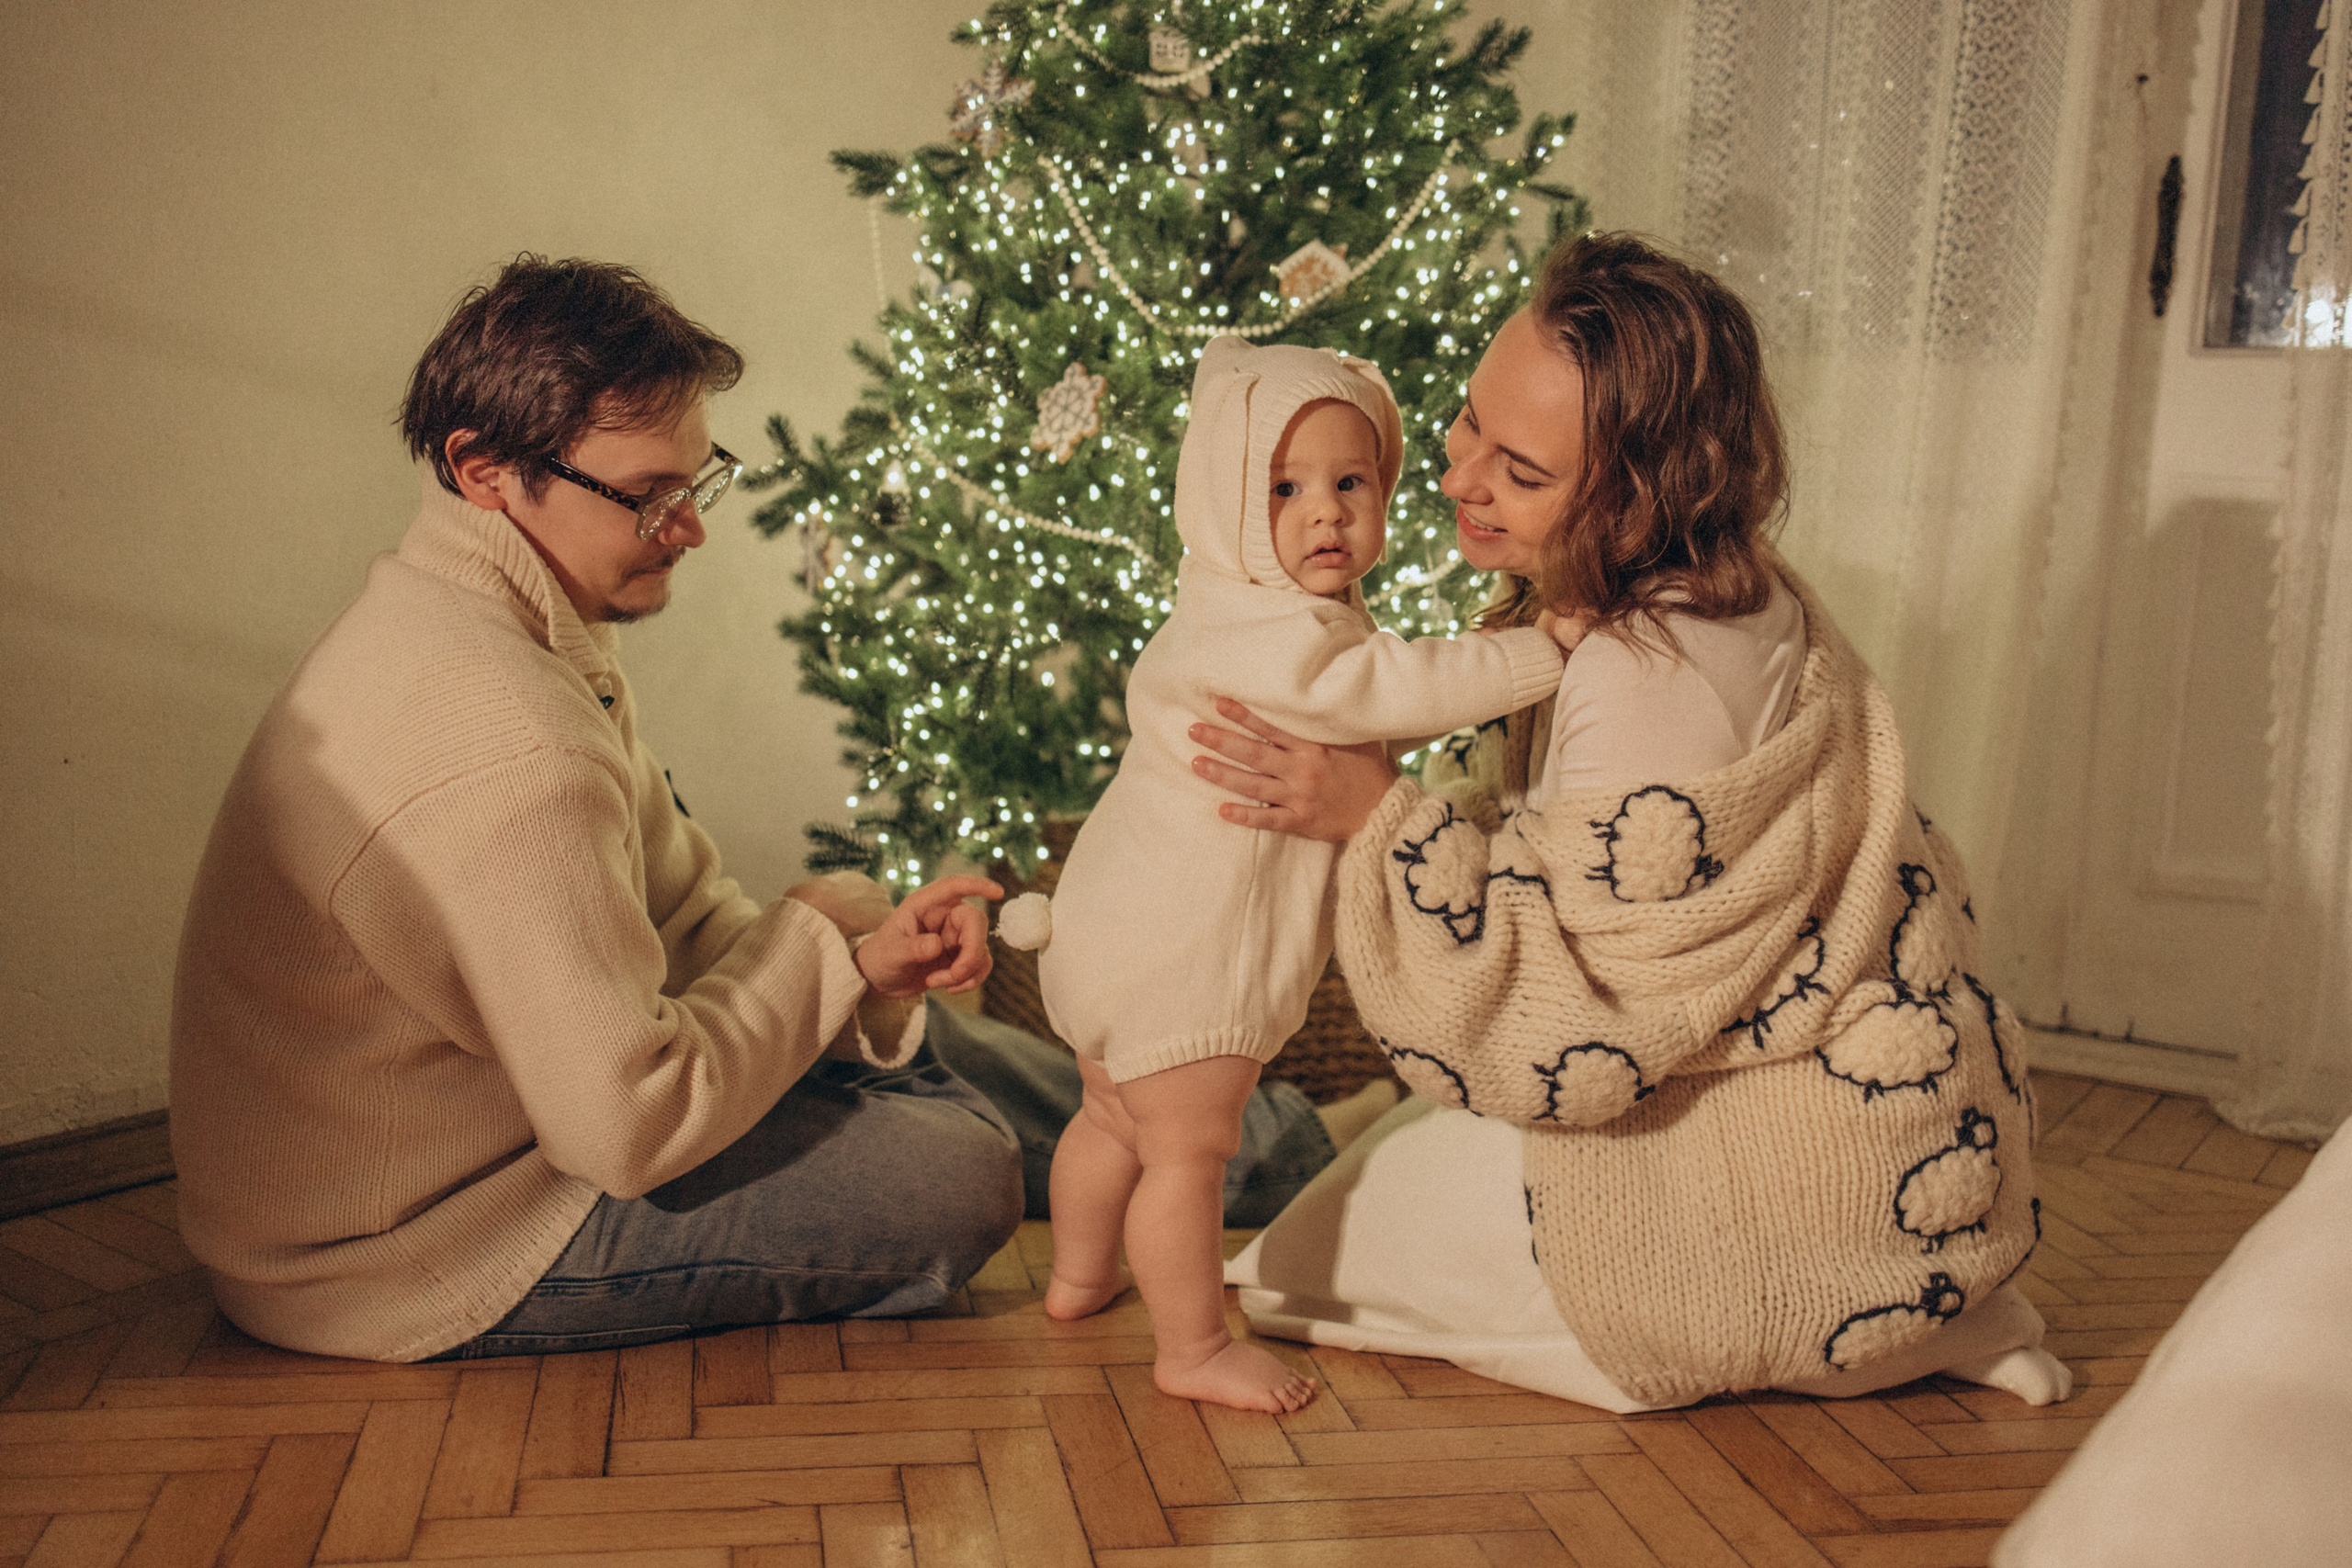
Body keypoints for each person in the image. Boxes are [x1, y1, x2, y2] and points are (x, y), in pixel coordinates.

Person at [167, 255, 1335, 1364]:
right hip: (406, 1242)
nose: (690, 527)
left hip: (537, 1119)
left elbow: (677, 912)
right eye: (646, 496)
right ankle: (1278, 1156)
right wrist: (815, 945)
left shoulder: (510, 625)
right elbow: (626, 1126)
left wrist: (847, 961)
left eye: (696, 481)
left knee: (914, 1024)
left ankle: (1298, 1148)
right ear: (483, 469)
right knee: (955, 1177)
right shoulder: (507, 736)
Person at [1193, 232, 2073, 1414]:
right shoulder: (1737, 580)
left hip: (1785, 1161)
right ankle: (1923, 1310)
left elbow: (1588, 1014)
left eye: (1520, 470)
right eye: (1466, 424)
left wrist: (1380, 820)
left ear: (1640, 489)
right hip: (1891, 1121)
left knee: (1291, 1271)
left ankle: (1855, 1319)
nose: (1455, 478)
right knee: (1369, 1174)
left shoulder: (1643, 669)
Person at [1027, 337, 1577, 1412]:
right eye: (1283, 489)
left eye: (1349, 482)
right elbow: (1384, 688)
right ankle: (1188, 1346)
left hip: (1101, 932)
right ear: (1229, 504)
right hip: (1180, 956)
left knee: (1106, 1119)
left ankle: (1077, 1276)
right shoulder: (1273, 632)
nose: (1324, 513)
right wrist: (1537, 654)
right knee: (1184, 1155)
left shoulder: (1224, 603)